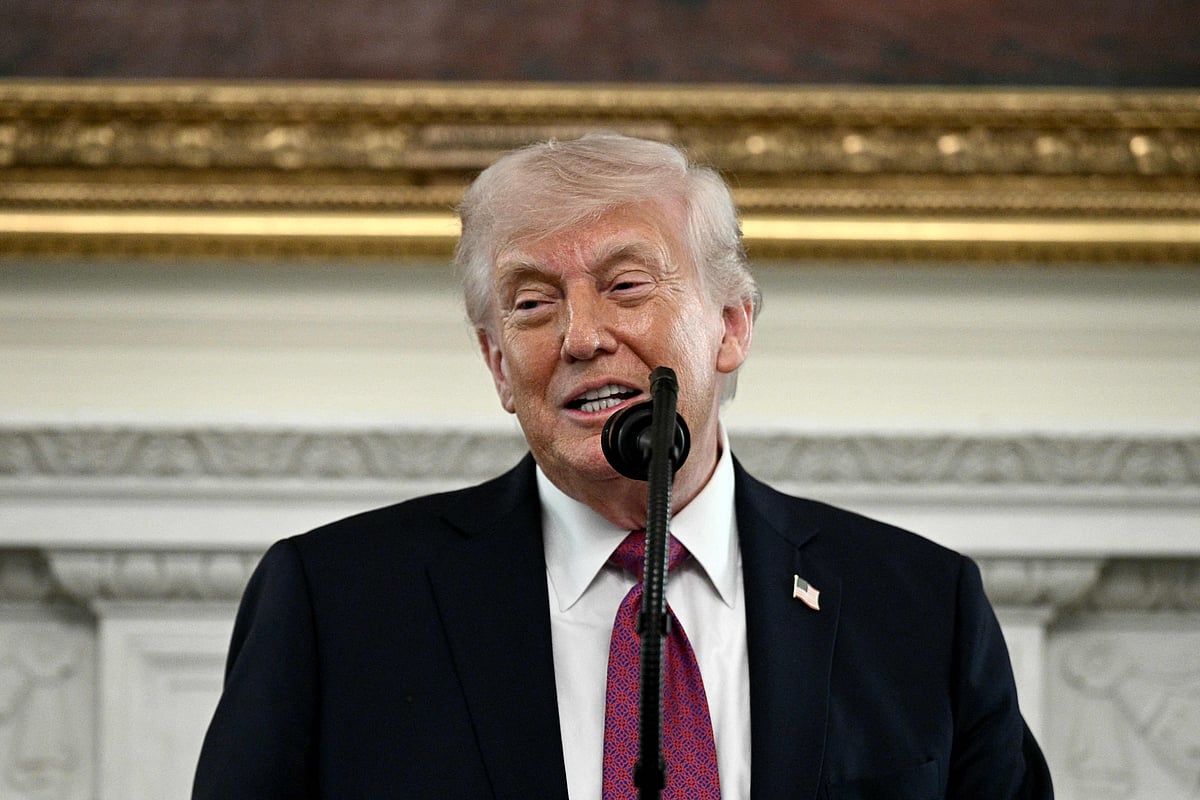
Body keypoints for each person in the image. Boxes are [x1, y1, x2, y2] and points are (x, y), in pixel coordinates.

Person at [192, 133, 1052, 799]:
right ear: (498, 364)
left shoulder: (920, 608)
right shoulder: (335, 603)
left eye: (627, 286)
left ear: (732, 326)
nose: (580, 337)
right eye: (533, 303)